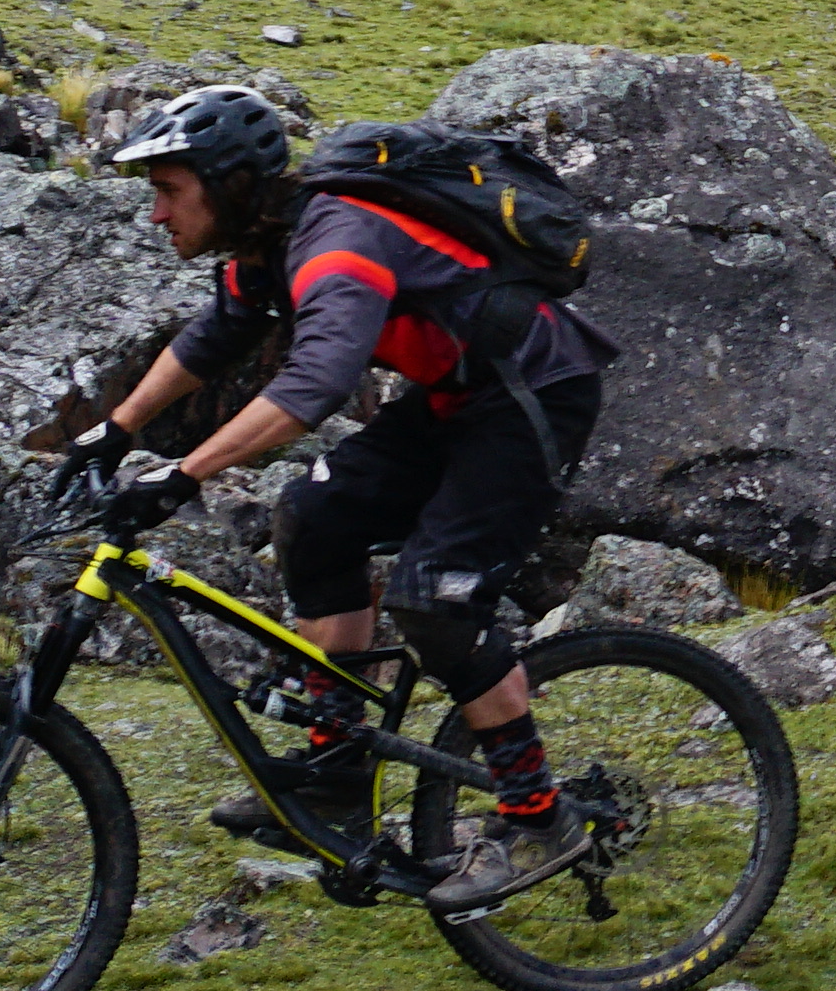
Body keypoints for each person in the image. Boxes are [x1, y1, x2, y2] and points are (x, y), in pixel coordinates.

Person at [62, 83, 616, 913]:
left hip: (532, 391)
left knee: (437, 599)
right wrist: (115, 429)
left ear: (226, 183)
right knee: (315, 521)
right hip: (456, 394)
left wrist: (181, 477)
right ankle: (335, 777)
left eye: (168, 191)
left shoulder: (336, 241)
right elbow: (216, 336)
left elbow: (314, 384)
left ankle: (539, 816)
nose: (155, 215)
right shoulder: (271, 245)